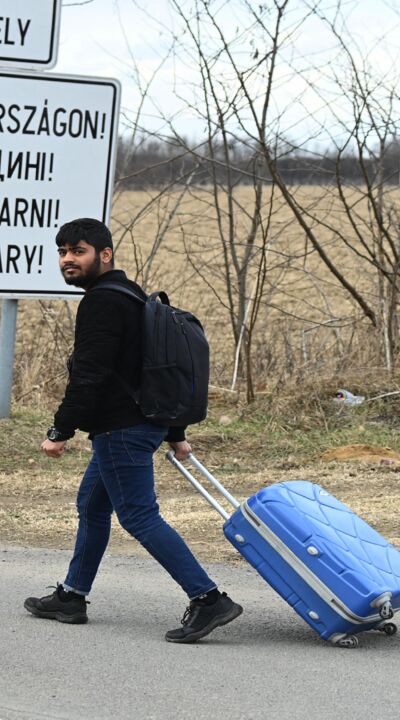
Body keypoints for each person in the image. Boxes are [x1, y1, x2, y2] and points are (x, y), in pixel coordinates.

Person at [24, 218, 243, 644]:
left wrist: (60, 429)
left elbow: (90, 374)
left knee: (139, 515)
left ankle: (208, 598)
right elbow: (158, 368)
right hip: (138, 423)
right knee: (91, 504)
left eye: (78, 251)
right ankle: (71, 596)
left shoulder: (103, 302)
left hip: (121, 429)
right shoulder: (132, 295)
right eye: (63, 251)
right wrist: (174, 430)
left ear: (105, 254)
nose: (68, 259)